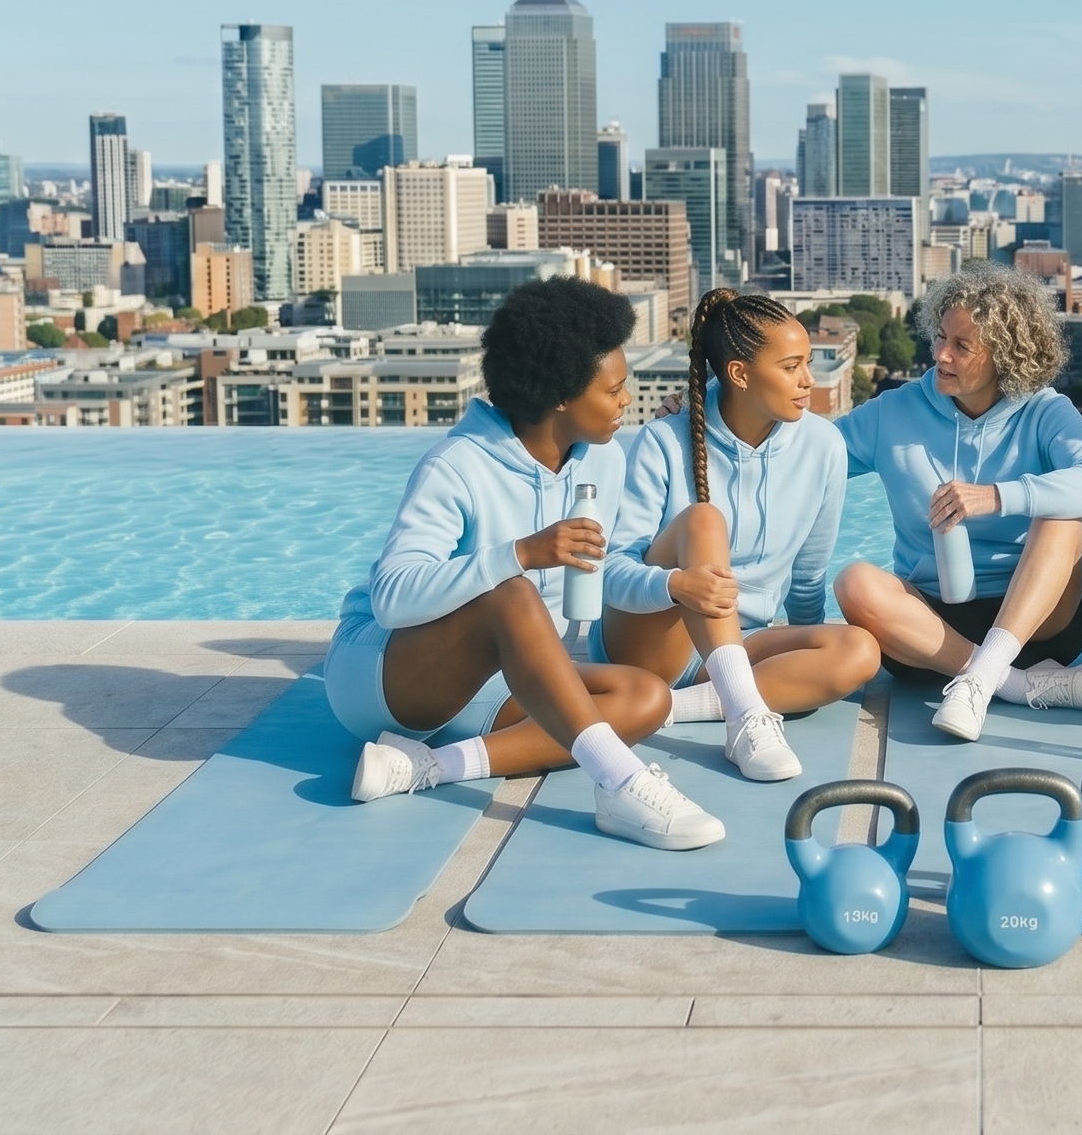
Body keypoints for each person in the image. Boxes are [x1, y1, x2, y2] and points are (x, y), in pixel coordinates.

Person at [326, 277, 723, 851]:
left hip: (495, 685)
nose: (624, 402)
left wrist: (673, 584)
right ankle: (621, 781)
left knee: (646, 698)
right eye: (612, 391)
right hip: (388, 677)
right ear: (561, 396)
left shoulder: (602, 462)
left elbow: (601, 570)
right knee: (513, 594)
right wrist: (522, 553)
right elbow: (391, 598)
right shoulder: (455, 466)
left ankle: (425, 768)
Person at [597, 288, 880, 782]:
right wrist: (673, 586)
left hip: (739, 646)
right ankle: (747, 718)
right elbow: (612, 572)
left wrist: (807, 654)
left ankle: (676, 707)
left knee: (859, 651)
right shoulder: (664, 439)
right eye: (791, 366)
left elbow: (809, 576)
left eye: (808, 363)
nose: (807, 381)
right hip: (651, 644)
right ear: (739, 373)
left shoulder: (824, 446)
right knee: (705, 520)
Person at [835, 266, 1082, 741]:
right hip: (929, 633)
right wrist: (708, 411)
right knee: (854, 583)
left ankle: (982, 679)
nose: (941, 355)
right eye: (941, 337)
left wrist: (997, 497)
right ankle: (1005, 683)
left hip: (1036, 625)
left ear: (1006, 356)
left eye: (962, 346)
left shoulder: (1045, 410)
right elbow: (802, 453)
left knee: (1063, 516)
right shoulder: (894, 411)